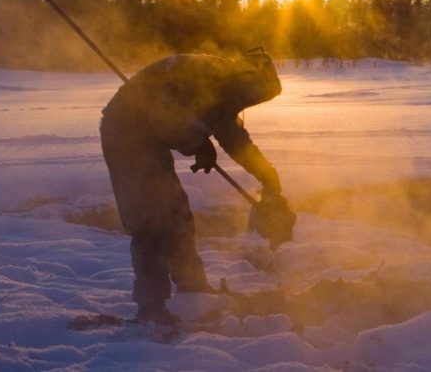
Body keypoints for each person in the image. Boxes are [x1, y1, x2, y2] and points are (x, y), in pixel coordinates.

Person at [99, 47, 294, 325]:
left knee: (177, 212)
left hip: (150, 139)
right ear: (246, 82)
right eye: (254, 97)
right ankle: (151, 309)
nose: (250, 103)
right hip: (126, 133)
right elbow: (167, 116)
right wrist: (199, 145)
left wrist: (266, 174)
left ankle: (192, 288)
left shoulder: (226, 91)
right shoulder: (206, 77)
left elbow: (234, 139)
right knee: (151, 220)